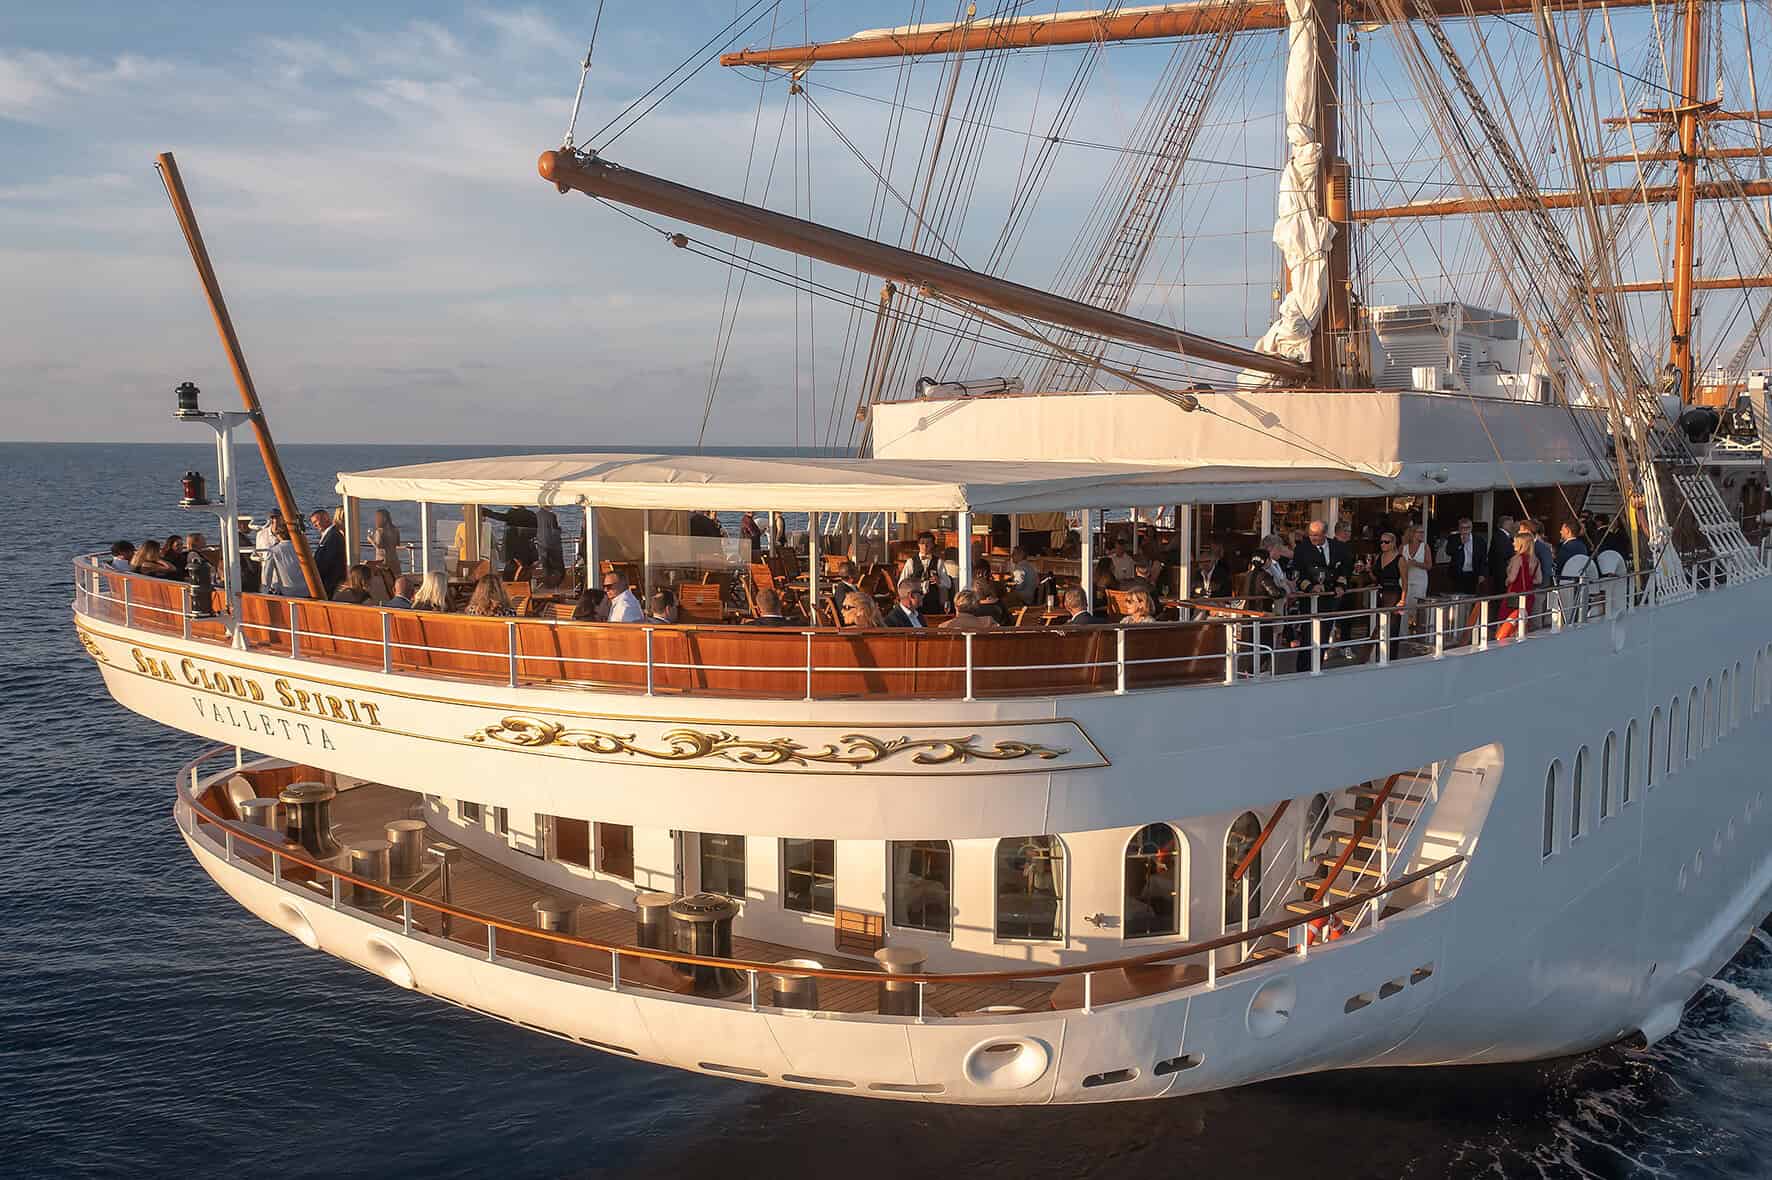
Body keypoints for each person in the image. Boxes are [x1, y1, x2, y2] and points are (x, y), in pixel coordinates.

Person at [898, 532, 952, 614]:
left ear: (933, 545)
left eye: (928, 543)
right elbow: (901, 584)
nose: (925, 546)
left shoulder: (938, 562)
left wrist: (939, 581)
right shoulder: (911, 562)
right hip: (915, 604)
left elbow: (948, 584)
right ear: (918, 545)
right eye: (922, 543)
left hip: (933, 603)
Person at [1504, 525, 1542, 628]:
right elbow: (1539, 580)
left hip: (1514, 594)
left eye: (1515, 542)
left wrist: (1506, 581)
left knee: (1508, 622)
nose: (1513, 544)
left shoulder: (1517, 559)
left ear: (1521, 544)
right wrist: (1528, 581)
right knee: (1523, 622)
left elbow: (1512, 578)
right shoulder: (1536, 560)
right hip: (1529, 594)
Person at [261, 519, 309, 597]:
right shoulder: (303, 548)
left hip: (288, 592)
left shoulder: (274, 551)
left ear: (278, 535)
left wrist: (264, 593)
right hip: (306, 591)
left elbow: (267, 575)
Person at [309, 509, 345, 596]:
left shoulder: (333, 536)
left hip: (329, 583)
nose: (315, 525)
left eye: (316, 521)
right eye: (313, 523)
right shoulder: (330, 534)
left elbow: (327, 561)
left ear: (326, 519)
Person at [1447, 517, 1482, 595]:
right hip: (1458, 574)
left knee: (1471, 596)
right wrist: (1460, 543)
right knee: (1458, 596)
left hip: (1473, 573)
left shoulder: (1478, 540)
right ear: (1459, 529)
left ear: (1471, 528)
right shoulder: (1453, 538)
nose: (1465, 530)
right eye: (1463, 528)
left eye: (1467, 528)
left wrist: (1482, 574)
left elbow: (1482, 558)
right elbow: (1449, 552)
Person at [534, 507, 565, 586]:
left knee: (545, 566)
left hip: (541, 544)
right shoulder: (552, 516)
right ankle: (556, 584)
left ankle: (548, 584)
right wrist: (560, 530)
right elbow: (554, 531)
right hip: (553, 545)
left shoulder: (536, 515)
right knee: (558, 567)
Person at [368, 508, 402, 580]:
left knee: (386, 581)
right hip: (394, 559)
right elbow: (397, 543)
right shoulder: (396, 529)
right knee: (396, 579)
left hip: (383, 559)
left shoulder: (380, 531)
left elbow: (379, 546)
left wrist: (370, 539)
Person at [1487, 513, 1517, 593]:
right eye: (1510, 524)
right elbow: (1503, 553)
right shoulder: (1499, 536)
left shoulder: (1508, 536)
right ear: (1504, 524)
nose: (1512, 526)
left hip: (1503, 571)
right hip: (1501, 572)